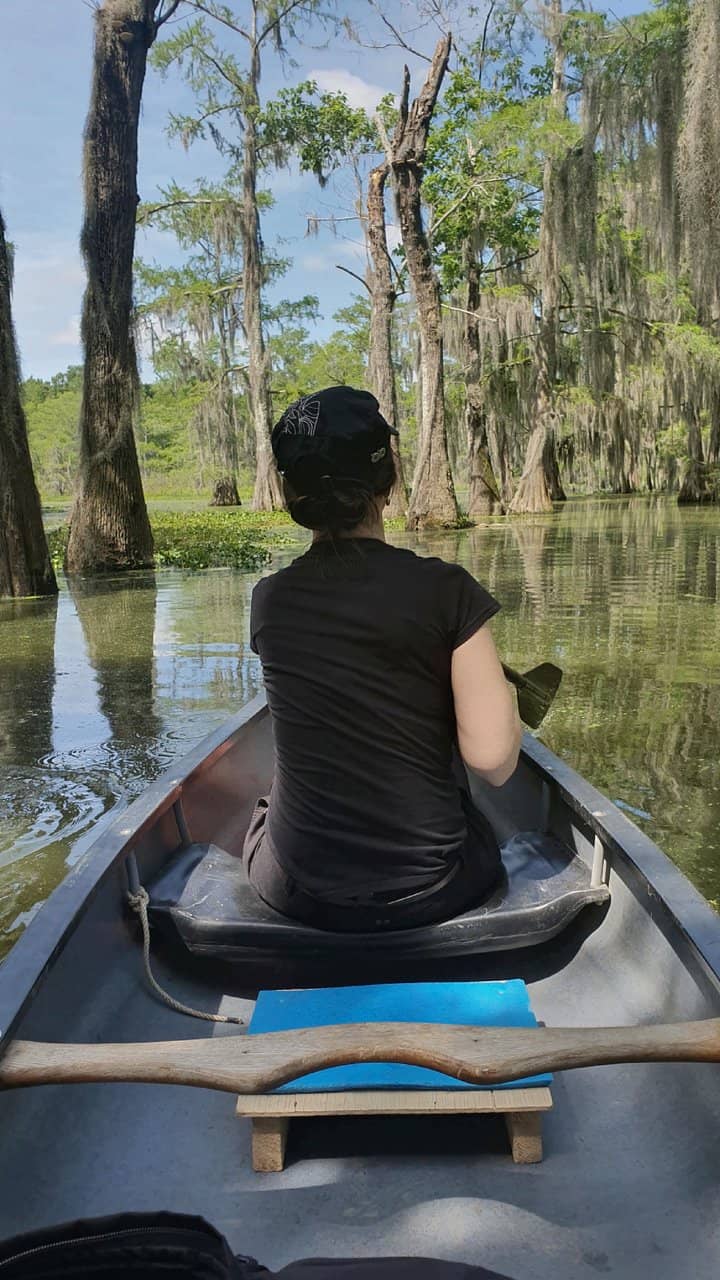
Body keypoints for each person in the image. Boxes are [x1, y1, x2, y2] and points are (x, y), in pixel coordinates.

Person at [244, 386, 522, 931]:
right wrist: (501, 693)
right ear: (388, 475)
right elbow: (493, 763)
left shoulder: (269, 600)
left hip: (297, 892)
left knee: (266, 804)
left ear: (290, 492)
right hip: (435, 889)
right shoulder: (447, 591)